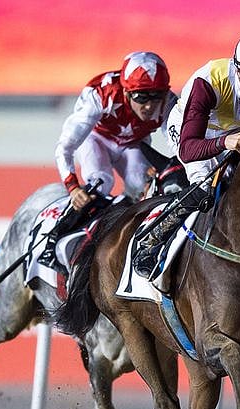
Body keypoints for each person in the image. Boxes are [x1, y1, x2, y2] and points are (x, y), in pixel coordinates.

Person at [132, 30, 240, 279]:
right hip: (196, 132)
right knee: (204, 186)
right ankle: (152, 240)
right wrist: (225, 141)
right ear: (239, 72)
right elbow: (188, 148)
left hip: (237, 134)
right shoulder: (209, 80)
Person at [39, 51, 177, 270]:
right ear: (125, 91)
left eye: (156, 95)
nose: (150, 106)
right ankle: (54, 239)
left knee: (144, 187)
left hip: (133, 143)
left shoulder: (169, 103)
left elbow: (179, 144)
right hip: (96, 139)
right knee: (101, 181)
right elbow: (65, 147)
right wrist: (74, 188)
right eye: (141, 97)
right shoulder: (101, 94)